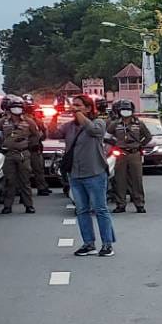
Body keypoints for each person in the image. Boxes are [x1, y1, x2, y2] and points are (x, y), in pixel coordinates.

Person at [60, 96, 115, 256]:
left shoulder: (98, 123)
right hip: (75, 174)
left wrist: (80, 115)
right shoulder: (70, 126)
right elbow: (53, 132)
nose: (74, 108)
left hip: (94, 173)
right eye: (73, 105)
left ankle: (107, 244)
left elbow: (94, 131)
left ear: (88, 108)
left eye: (78, 105)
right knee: (82, 210)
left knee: (100, 209)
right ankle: (88, 244)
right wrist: (56, 115)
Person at [106, 100, 151, 213]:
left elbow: (148, 137)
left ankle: (139, 204)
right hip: (120, 154)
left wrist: (140, 145)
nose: (125, 111)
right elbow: (106, 137)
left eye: (128, 109)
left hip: (134, 153)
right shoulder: (115, 124)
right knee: (119, 180)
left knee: (137, 180)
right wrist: (115, 144)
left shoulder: (139, 124)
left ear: (132, 111)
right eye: (123, 109)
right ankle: (120, 204)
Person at [0, 97, 39, 215]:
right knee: (9, 181)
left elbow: (36, 135)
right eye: (14, 107)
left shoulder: (29, 121)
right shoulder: (2, 122)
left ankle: (29, 205)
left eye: (19, 107)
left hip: (23, 154)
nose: (17, 109)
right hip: (8, 155)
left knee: (25, 180)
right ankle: (7, 206)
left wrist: (29, 145)